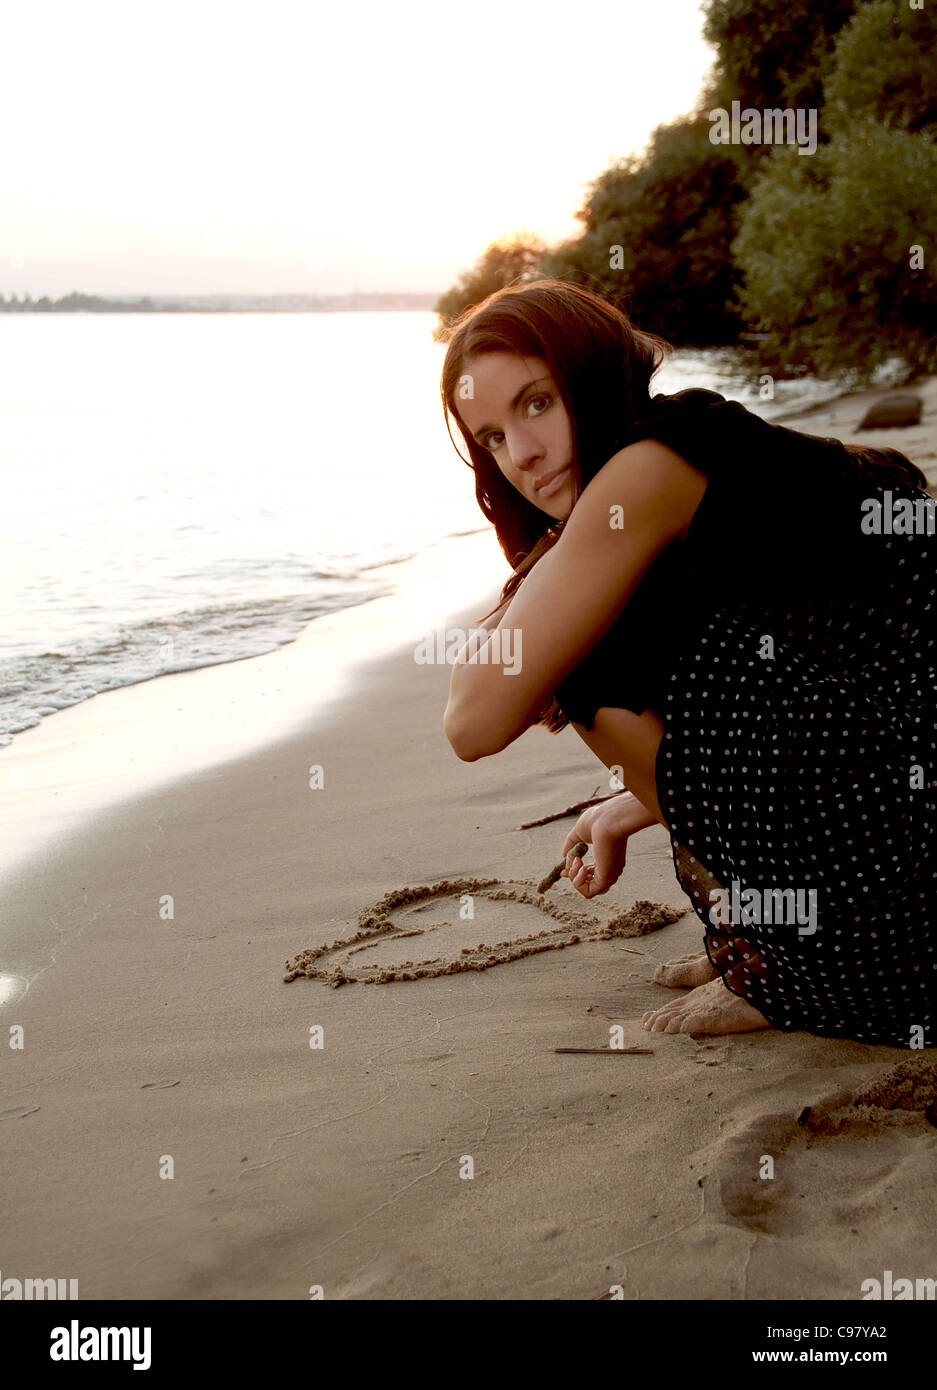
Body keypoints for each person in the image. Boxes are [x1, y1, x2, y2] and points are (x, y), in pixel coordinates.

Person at [440, 277, 936, 1046]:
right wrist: (622, 806)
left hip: (904, 915)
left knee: (582, 656)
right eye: (493, 439)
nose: (524, 456)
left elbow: (473, 721)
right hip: (903, 785)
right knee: (609, 625)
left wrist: (541, 578)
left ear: (593, 375)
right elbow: (833, 686)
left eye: (537, 403)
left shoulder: (648, 469)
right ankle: (777, 929)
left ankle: (784, 968)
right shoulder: (693, 440)